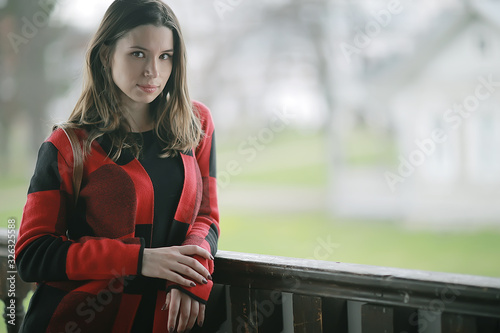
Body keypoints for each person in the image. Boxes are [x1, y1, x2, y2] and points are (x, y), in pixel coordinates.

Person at [14, 0, 219, 332]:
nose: (153, 70)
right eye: (138, 53)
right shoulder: (68, 145)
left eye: (165, 56)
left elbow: (206, 218)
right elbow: (32, 253)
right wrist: (140, 260)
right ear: (106, 54)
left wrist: (189, 278)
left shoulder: (196, 125)